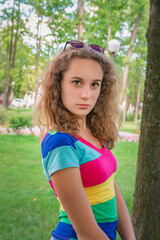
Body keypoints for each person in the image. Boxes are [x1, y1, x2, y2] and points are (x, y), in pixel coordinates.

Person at [36, 40, 136, 240]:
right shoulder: (61, 143)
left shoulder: (95, 132)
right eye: (76, 82)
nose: (86, 95)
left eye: (95, 84)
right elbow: (86, 232)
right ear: (59, 84)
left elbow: (112, 191)